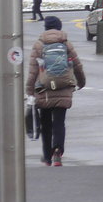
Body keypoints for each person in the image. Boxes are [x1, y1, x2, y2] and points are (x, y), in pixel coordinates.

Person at [27, 16, 86, 167]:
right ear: (59, 27)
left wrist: (29, 90)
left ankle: (47, 157)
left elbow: (33, 71)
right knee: (59, 122)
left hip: (44, 90)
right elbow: (77, 66)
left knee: (46, 124)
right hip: (63, 88)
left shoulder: (39, 45)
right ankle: (58, 152)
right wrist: (81, 82)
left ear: (45, 27)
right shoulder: (66, 44)